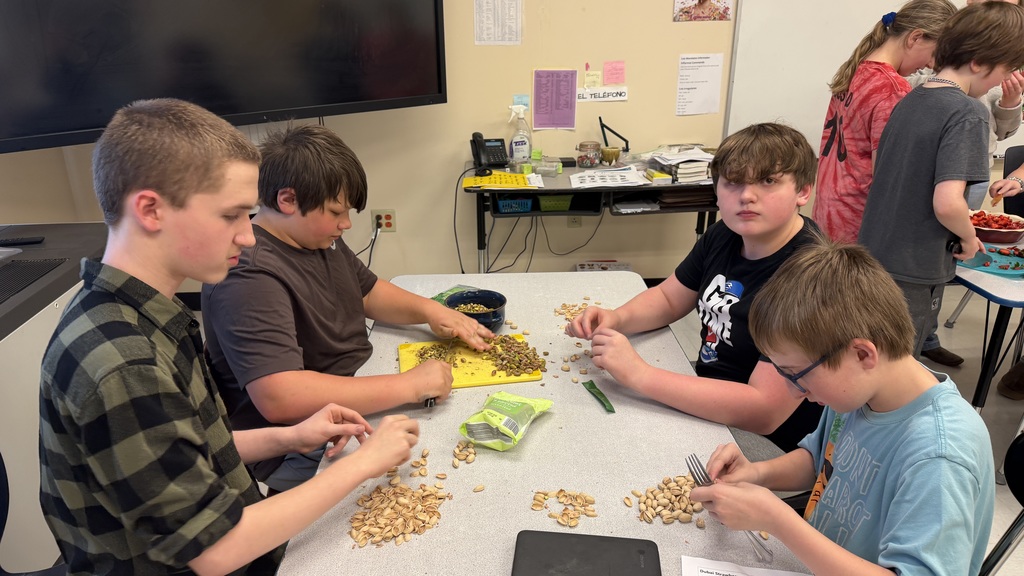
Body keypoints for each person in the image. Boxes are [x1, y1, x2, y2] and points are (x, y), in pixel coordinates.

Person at [38, 99, 420, 575]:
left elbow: (186, 449)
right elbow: (217, 552)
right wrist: (363, 464)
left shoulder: (143, 312)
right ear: (151, 210)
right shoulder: (124, 364)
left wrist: (291, 436)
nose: (249, 236)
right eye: (231, 216)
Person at [201, 124, 493, 492]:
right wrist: (409, 385)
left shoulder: (315, 238)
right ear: (288, 200)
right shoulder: (249, 275)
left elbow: (367, 292)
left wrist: (432, 311)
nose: (346, 224)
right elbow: (281, 397)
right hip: (301, 444)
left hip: (359, 385)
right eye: (336, 211)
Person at [688, 239, 994, 575]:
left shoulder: (939, 457)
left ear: (862, 354)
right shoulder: (858, 391)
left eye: (797, 374)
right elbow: (820, 460)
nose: (794, 390)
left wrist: (778, 520)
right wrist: (758, 473)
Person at [566, 123, 824, 454]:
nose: (746, 196)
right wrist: (616, 318)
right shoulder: (724, 234)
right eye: (733, 182)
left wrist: (639, 374)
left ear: (803, 191)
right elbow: (668, 298)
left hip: (772, 442)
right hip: (708, 393)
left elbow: (764, 412)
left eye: (768, 181)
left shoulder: (811, 277)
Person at [859, 1, 1024, 358]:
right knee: (896, 361)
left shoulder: (910, 97)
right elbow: (948, 203)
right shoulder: (969, 112)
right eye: (1005, 70)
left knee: (868, 353)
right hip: (915, 264)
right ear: (978, 62)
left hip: (874, 252)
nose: (1003, 81)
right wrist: (968, 237)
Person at [813, 0, 956, 245]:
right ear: (915, 37)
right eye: (935, 54)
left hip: (829, 211)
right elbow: (889, 177)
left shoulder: (855, 69)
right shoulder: (892, 89)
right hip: (859, 223)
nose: (932, 66)